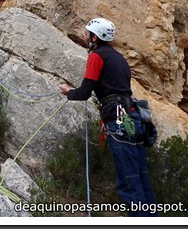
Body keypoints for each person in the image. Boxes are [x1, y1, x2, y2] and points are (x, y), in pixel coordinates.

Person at [59, 17, 157, 217]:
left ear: (96, 37)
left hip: (119, 121)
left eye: (87, 33)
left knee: (129, 183)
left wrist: (69, 92)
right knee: (141, 179)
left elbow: (85, 91)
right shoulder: (119, 58)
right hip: (133, 118)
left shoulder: (96, 56)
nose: (85, 35)